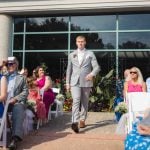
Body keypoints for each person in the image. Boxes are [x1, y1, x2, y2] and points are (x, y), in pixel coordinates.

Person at [66, 35, 100, 133]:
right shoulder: (71, 55)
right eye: (78, 41)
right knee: (76, 100)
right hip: (74, 82)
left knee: (84, 102)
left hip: (86, 81)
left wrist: (92, 74)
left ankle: (82, 120)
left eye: (82, 41)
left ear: (85, 42)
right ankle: (74, 122)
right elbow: (69, 70)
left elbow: (96, 67)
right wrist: (67, 83)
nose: (80, 43)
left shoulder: (90, 54)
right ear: (76, 43)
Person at [116, 67, 147, 134]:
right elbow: (125, 95)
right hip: (130, 104)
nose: (132, 74)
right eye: (131, 72)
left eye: (134, 72)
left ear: (138, 74)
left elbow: (145, 96)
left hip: (140, 104)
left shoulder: (143, 83)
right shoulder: (126, 83)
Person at [7, 56, 29, 150]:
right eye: (8, 64)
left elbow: (25, 92)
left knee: (18, 108)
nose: (9, 65)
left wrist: (15, 99)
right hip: (3, 102)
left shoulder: (22, 78)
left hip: (15, 102)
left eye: (12, 63)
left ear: (16, 65)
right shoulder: (3, 75)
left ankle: (14, 138)